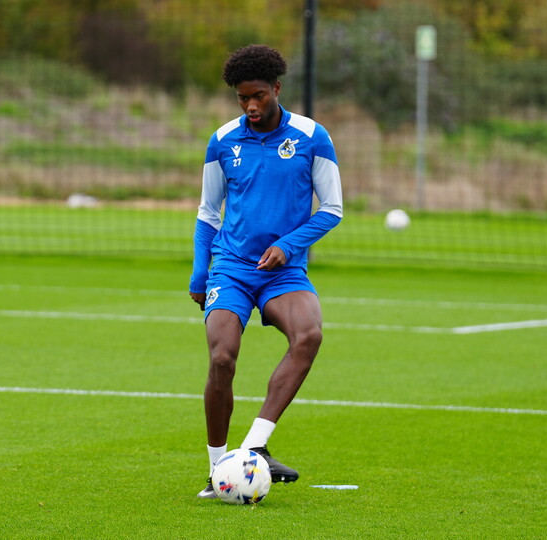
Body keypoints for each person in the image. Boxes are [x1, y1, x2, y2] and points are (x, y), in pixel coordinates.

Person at [188, 45, 343, 498]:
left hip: (283, 271)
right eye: (242, 98)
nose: (251, 106)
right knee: (221, 359)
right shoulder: (223, 140)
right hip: (232, 268)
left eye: (258, 96)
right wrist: (201, 274)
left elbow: (331, 209)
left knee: (309, 336)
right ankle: (219, 469)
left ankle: (254, 448)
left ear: (277, 88)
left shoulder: (313, 136)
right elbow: (207, 212)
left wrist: (287, 244)